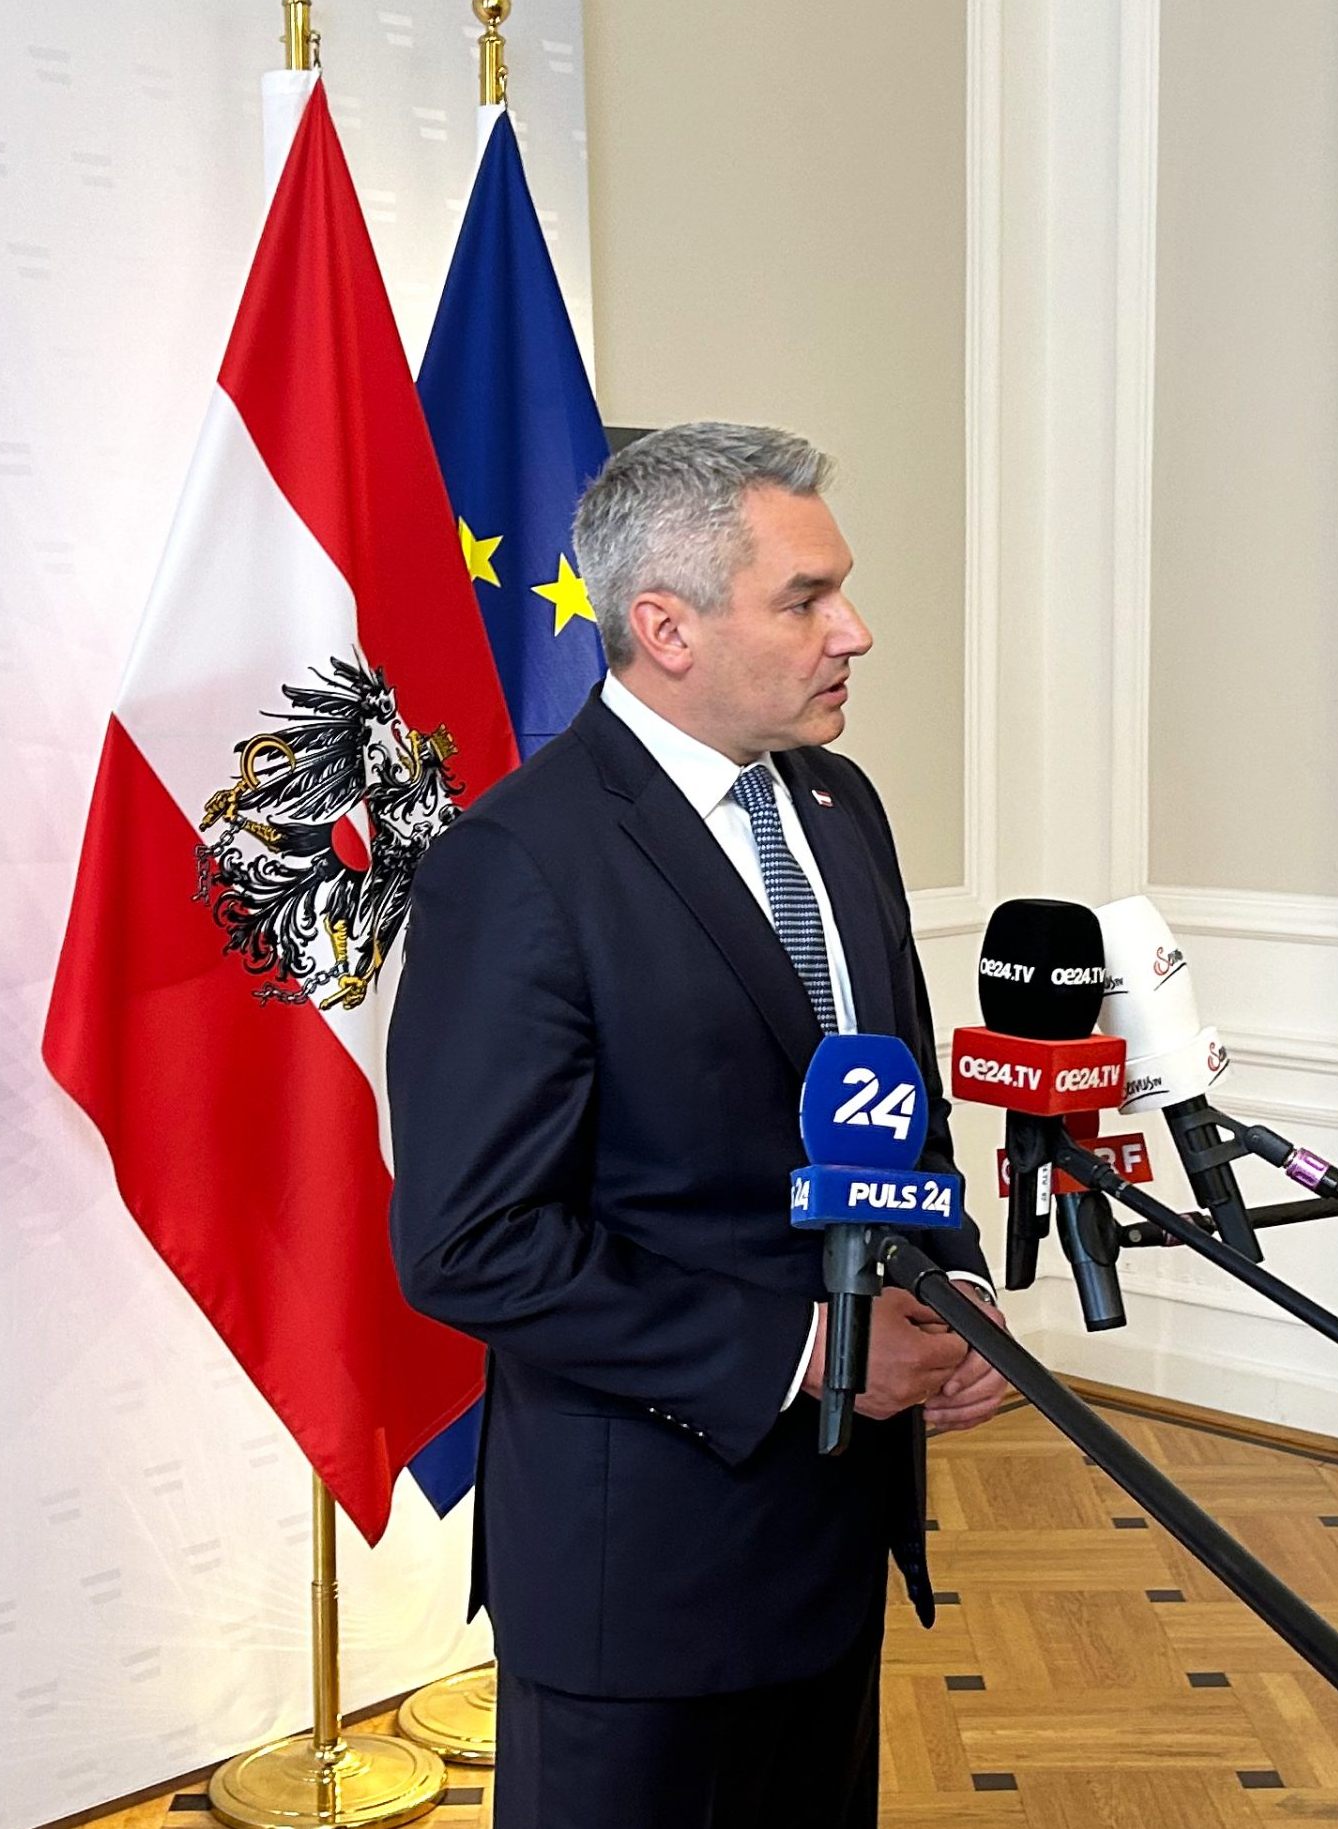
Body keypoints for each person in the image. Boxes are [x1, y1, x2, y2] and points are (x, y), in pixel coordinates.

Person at [387, 421, 1010, 1827]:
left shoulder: (842, 806)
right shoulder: (520, 864)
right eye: (806, 598)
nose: (856, 630)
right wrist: (804, 1352)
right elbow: (471, 1245)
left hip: (834, 1541)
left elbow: (891, 1099)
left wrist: (952, 1282)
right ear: (663, 624)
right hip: (642, 1579)